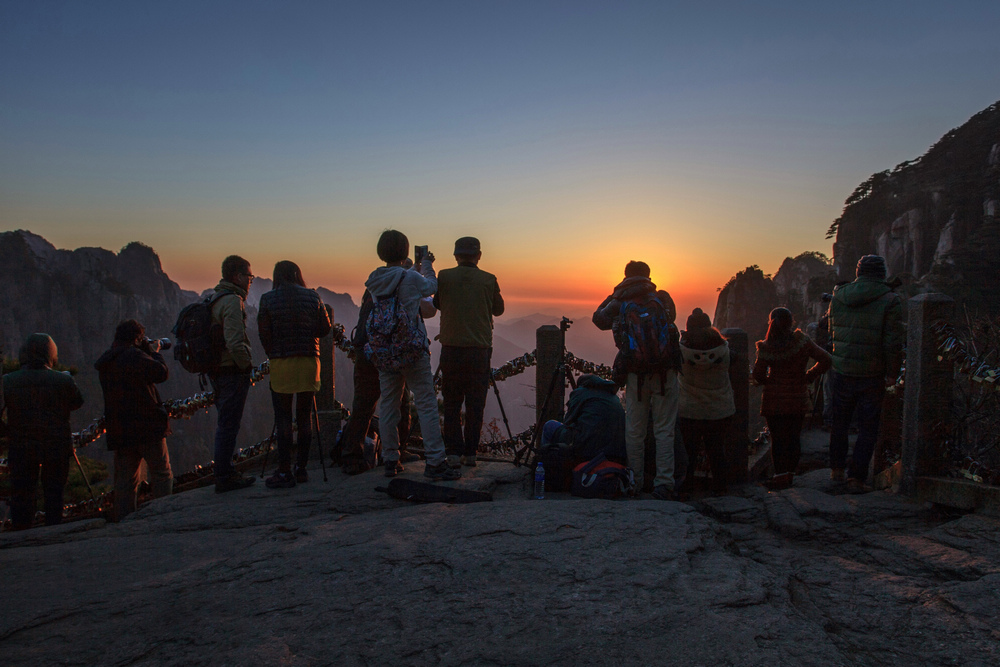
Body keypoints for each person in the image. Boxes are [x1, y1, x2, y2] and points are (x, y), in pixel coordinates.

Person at [364, 230, 460, 481]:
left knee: (388, 404)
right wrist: (427, 264)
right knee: (427, 404)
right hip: (412, 350)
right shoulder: (409, 278)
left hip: (385, 351)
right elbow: (431, 286)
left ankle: (390, 459)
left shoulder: (374, 280)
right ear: (406, 251)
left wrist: (414, 269)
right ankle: (436, 462)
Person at [592, 260, 680, 500]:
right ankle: (664, 484)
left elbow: (598, 320)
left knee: (634, 430)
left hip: (635, 373)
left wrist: (614, 294)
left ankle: (635, 482)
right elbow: (671, 322)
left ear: (625, 276)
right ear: (649, 276)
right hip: (665, 372)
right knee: (664, 429)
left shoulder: (619, 302)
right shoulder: (662, 298)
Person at [827, 255, 904, 493]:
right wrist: (892, 373)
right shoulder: (891, 300)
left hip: (841, 369)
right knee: (868, 426)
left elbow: (832, 330)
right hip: (872, 372)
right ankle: (856, 477)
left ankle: (837, 471)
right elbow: (893, 341)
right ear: (881, 273)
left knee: (839, 422)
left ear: (858, 272)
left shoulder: (839, 295)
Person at [257, 261, 332, 489]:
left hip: (282, 362)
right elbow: (325, 328)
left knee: (283, 418)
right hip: (309, 360)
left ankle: (284, 471)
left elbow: (264, 333)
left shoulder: (268, 299)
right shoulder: (313, 296)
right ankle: (302, 469)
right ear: (298, 274)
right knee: (304, 416)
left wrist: (274, 352)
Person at [433, 236, 505, 468]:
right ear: (479, 256)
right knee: (476, 404)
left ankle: (452, 453)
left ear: (455, 255)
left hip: (451, 349)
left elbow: (437, 304)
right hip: (479, 351)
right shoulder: (489, 280)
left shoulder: (444, 276)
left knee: (452, 402)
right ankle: (471, 453)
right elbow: (499, 309)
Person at [3, 334, 84, 529]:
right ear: (51, 354)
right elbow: (77, 402)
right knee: (54, 491)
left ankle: (22, 534)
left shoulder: (8, 381)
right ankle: (53, 532)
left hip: (21, 445)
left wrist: (9, 431)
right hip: (56, 444)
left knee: (22, 492)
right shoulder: (63, 380)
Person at [95, 320, 173, 521]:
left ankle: (124, 520)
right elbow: (161, 373)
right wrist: (154, 352)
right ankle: (164, 515)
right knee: (161, 473)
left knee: (125, 481)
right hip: (147, 426)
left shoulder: (106, 361)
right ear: (137, 338)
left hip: (120, 429)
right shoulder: (134, 356)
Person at [338, 287, 417, 476]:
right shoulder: (404, 285)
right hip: (392, 351)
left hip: (365, 348)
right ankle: (398, 451)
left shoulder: (373, 285)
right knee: (400, 401)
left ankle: (352, 456)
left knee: (363, 404)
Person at [752, 308, 831, 489]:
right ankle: (790, 476)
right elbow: (826, 359)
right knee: (794, 437)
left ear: (771, 322)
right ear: (791, 322)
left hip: (774, 400)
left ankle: (780, 477)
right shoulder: (802, 342)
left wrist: (770, 381)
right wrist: (808, 376)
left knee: (778, 439)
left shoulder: (766, 347)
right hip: (797, 397)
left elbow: (757, 374)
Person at [209, 255, 256, 493]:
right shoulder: (232, 301)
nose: (251, 281)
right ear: (237, 277)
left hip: (217, 371)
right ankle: (225, 475)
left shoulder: (214, 298)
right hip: (231, 371)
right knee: (229, 425)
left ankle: (224, 471)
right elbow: (235, 342)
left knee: (225, 423)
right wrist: (246, 366)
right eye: (249, 276)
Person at [677, 309, 735, 495]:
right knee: (717, 450)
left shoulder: (681, 352)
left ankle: (687, 488)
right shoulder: (724, 351)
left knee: (690, 452)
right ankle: (721, 488)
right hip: (719, 409)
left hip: (689, 410)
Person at [538, 374, 627, 491]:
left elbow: (568, 422)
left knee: (549, 426)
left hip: (587, 446)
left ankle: (545, 472)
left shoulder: (581, 392)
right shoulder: (612, 396)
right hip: (614, 451)